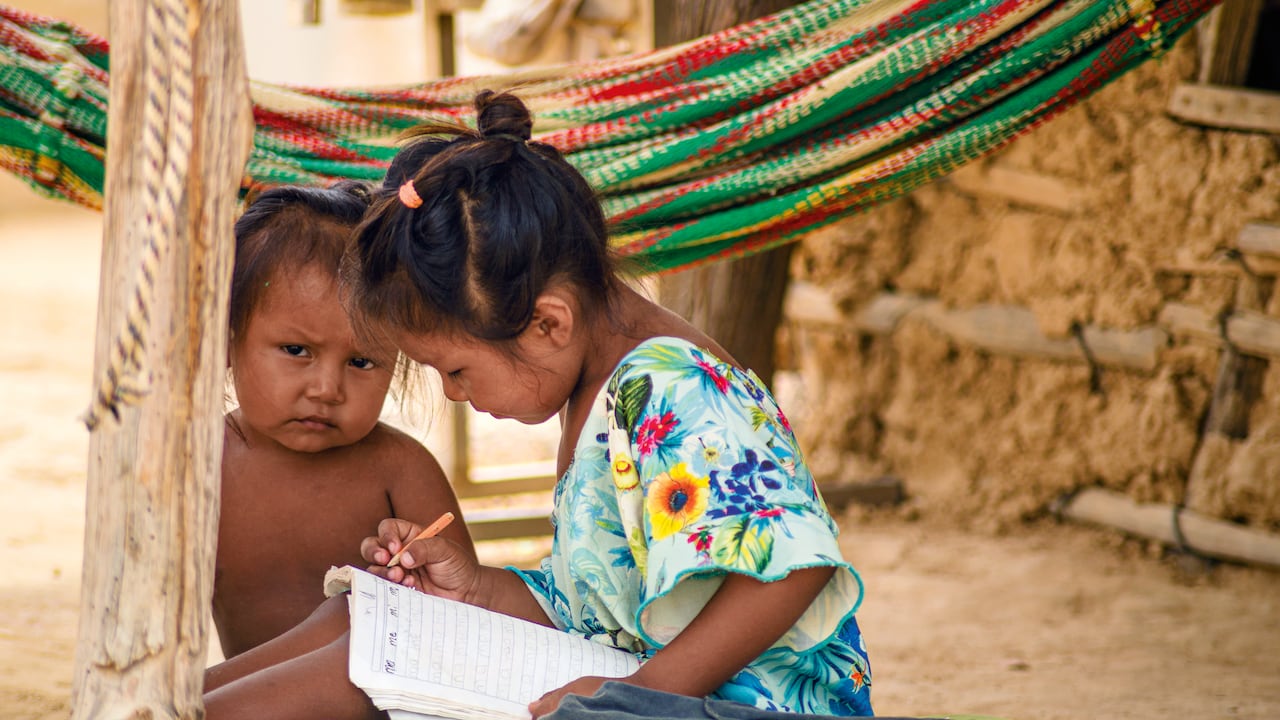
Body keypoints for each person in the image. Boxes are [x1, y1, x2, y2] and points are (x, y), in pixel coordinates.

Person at [203, 91, 872, 720]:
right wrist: (475, 590)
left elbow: (795, 567)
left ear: (546, 324)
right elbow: (600, 604)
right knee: (366, 619)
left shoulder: (671, 387)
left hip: (740, 707)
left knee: (363, 665)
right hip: (650, 686)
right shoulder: (596, 390)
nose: (454, 393)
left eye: (457, 369)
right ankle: (156, 702)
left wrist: (638, 699)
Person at [212, 180, 474, 662]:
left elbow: (468, 607)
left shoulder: (401, 470)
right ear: (228, 340)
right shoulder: (202, 467)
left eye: (361, 362)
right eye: (296, 351)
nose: (326, 390)